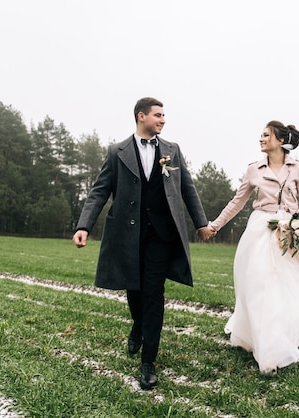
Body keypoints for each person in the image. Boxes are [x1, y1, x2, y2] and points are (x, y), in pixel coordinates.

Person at [72, 97, 211, 390]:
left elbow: (188, 188)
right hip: (127, 234)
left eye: (164, 115)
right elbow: (99, 191)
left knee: (153, 293)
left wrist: (201, 223)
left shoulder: (172, 150)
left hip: (161, 234)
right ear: (141, 116)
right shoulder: (116, 152)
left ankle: (148, 361)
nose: (163, 120)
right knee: (133, 290)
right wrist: (84, 225)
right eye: (158, 115)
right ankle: (138, 324)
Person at [204, 120, 299, 376]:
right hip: (260, 230)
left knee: (289, 287)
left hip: (289, 233)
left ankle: (285, 336)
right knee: (260, 285)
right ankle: (265, 345)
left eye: (266, 135)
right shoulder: (253, 170)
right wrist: (215, 225)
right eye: (260, 135)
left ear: (281, 140)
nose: (261, 139)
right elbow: (237, 203)